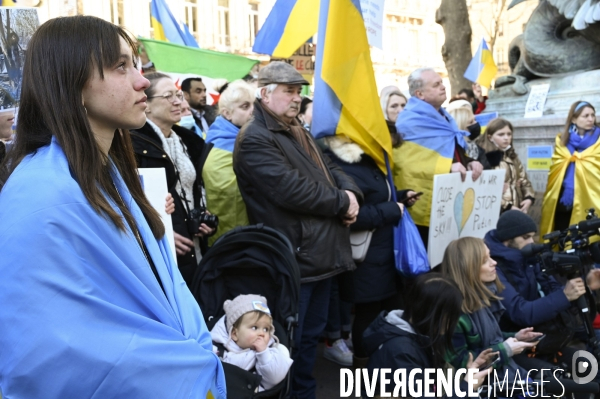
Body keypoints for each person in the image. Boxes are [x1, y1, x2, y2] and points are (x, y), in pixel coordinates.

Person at [0, 15, 225, 398]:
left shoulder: (109, 174)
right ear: (71, 81)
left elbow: (161, 290)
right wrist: (183, 362)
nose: (141, 80)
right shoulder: (41, 193)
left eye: (135, 64)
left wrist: (194, 352)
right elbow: (50, 348)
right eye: (121, 66)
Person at [233, 61, 362, 399]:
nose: (296, 98)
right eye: (288, 91)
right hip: (295, 257)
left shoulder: (297, 129)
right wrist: (341, 203)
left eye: (299, 92)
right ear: (265, 94)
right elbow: (291, 190)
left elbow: (332, 167)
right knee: (288, 343)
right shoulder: (255, 138)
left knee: (309, 339)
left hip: (319, 255)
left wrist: (351, 195)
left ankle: (303, 393)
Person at [325, 135, 419, 368]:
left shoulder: (369, 161)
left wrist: (400, 197)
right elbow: (350, 215)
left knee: (392, 310)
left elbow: (377, 195)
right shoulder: (347, 166)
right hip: (366, 259)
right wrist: (391, 209)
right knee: (367, 315)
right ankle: (364, 370)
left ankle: (389, 366)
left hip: (383, 255)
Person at [484, 210, 600, 374]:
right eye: (525, 238)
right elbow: (520, 312)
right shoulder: (495, 268)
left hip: (547, 340)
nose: (532, 242)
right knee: (559, 382)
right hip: (517, 345)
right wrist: (565, 295)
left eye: (532, 236)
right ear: (507, 240)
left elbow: (555, 291)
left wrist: (586, 286)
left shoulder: (529, 257)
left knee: (591, 369)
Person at [130, 72, 215, 286]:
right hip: (161, 252)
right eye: (169, 96)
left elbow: (192, 190)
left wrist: (203, 216)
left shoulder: (188, 142)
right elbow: (130, 201)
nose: (178, 101)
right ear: (146, 104)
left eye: (178, 95)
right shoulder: (131, 145)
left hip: (194, 245)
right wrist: (161, 232)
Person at [363, 274, 494, 397]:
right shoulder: (400, 352)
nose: (453, 322)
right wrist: (467, 387)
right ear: (434, 314)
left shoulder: (419, 333)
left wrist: (467, 373)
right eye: (451, 315)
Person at [395, 67, 483, 247]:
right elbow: (404, 163)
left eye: (441, 82)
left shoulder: (444, 117)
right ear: (419, 94)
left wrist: (470, 161)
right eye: (436, 85)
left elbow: (452, 151)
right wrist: (447, 168)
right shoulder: (407, 122)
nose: (443, 87)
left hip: (452, 199)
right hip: (426, 203)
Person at [441, 237, 539, 380]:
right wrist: (505, 350)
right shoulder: (453, 313)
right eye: (485, 261)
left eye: (490, 257)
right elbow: (461, 364)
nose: (494, 263)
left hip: (504, 375)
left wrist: (515, 337)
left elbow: (488, 340)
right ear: (468, 268)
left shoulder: (482, 296)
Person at [203, 79, 254, 245]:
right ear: (227, 113)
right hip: (230, 241)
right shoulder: (222, 144)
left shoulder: (245, 136)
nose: (253, 111)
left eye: (255, 105)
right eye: (245, 107)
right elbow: (229, 195)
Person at [210, 294, 293, 392]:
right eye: (254, 328)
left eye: (266, 329)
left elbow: (274, 378)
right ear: (234, 334)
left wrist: (264, 354)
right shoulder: (216, 349)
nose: (262, 333)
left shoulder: (272, 352)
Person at [541, 101, 600, 235]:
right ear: (573, 119)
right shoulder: (562, 141)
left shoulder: (598, 140)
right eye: (585, 116)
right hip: (563, 200)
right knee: (562, 232)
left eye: (593, 115)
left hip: (593, 198)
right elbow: (555, 169)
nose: (591, 119)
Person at [476, 117, 535, 213]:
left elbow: (524, 181)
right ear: (490, 137)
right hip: (495, 212)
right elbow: (484, 190)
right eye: (501, 134)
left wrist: (529, 198)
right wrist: (507, 206)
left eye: (509, 134)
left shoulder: (512, 157)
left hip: (517, 208)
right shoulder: (485, 158)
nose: (506, 138)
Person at [446, 99, 490, 168]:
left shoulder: (478, 149)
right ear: (460, 124)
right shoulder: (451, 150)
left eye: (475, 120)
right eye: (471, 122)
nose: (476, 124)